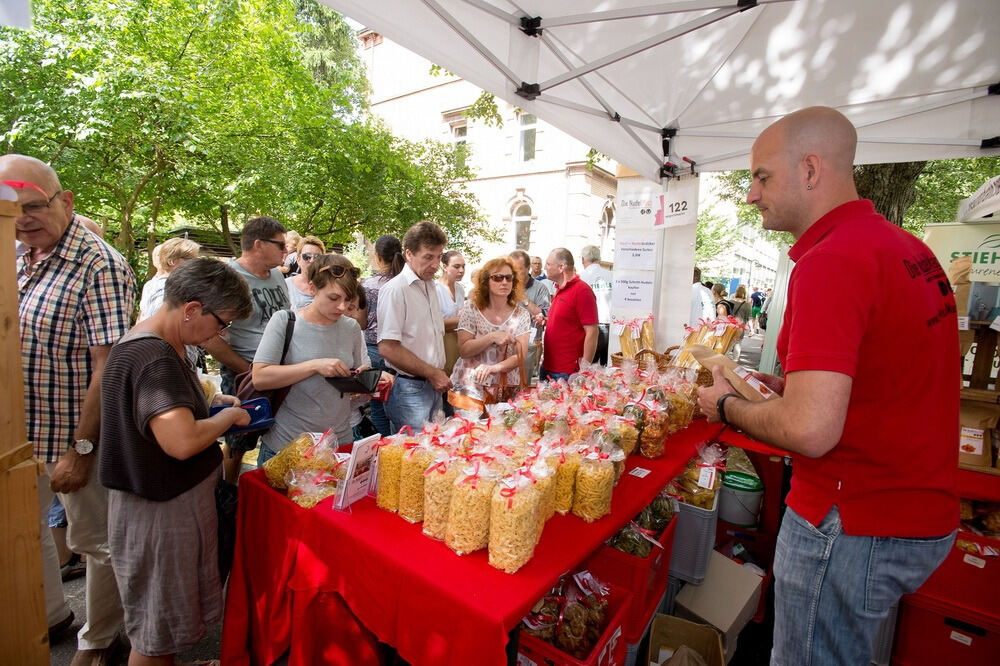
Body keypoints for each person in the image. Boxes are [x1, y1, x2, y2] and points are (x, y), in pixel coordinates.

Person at [696, 106, 958, 666]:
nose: (750, 194)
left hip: (852, 519)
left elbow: (811, 430)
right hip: (916, 511)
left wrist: (724, 404)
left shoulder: (831, 260)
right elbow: (881, 377)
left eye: (761, 176)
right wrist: (777, 386)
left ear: (810, 170)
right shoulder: (906, 247)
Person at [4, 154, 135, 662]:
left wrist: (80, 450)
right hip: (20, 434)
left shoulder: (98, 264)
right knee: (21, 531)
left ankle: (100, 640)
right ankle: (52, 617)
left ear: (66, 201)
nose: (24, 220)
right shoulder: (14, 253)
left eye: (34, 206)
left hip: (76, 436)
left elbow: (108, 367)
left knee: (97, 543)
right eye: (12, 211)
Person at [99, 258, 253, 666]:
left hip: (160, 504)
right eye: (221, 324)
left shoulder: (155, 344)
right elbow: (180, 442)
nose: (221, 334)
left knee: (160, 625)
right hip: (160, 512)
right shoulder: (156, 357)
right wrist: (224, 418)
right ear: (191, 310)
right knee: (155, 632)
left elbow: (159, 419)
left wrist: (206, 404)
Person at [253, 254, 391, 462]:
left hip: (337, 443)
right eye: (334, 298)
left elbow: (352, 385)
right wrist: (315, 365)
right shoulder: (285, 321)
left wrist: (367, 381)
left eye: (347, 300)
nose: (343, 308)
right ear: (311, 288)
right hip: (289, 445)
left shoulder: (351, 328)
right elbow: (260, 377)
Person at [201, 216, 290, 481]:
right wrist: (247, 369)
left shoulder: (276, 274)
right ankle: (230, 495)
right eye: (281, 245)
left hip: (280, 371)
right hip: (245, 372)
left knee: (278, 435)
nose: (286, 251)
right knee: (239, 442)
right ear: (259, 244)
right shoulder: (228, 277)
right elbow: (209, 336)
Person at [377, 221, 452, 432]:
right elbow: (388, 347)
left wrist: (436, 374)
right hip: (409, 389)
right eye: (428, 257)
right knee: (415, 455)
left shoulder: (430, 286)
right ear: (409, 254)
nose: (436, 264)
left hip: (432, 385)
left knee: (431, 452)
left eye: (439, 256)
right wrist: (432, 373)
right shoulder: (395, 290)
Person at [450, 257, 531, 402]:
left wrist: (495, 368)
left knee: (501, 425)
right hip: (470, 386)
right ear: (486, 281)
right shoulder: (471, 308)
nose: (504, 282)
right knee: (470, 425)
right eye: (498, 278)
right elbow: (464, 350)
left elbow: (520, 355)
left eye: (508, 278)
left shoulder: (522, 314)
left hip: (505, 387)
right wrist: (492, 337)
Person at [362, 234, 404, 436]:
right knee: (398, 404)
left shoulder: (368, 285)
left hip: (373, 349)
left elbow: (361, 321)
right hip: (401, 351)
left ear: (378, 256)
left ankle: (383, 445)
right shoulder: (405, 284)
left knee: (378, 406)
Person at [540, 248, 598, 381]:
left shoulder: (582, 291)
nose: (545, 267)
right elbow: (568, 320)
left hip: (567, 372)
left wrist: (584, 370)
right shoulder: (559, 288)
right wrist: (548, 320)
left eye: (548, 264)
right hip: (549, 367)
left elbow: (592, 332)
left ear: (561, 267)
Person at [509, 250, 550, 381]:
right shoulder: (504, 283)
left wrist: (524, 298)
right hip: (504, 344)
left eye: (519, 269)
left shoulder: (541, 288)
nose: (514, 273)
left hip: (528, 346)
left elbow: (544, 315)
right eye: (512, 268)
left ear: (528, 268)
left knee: (522, 387)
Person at [579, 245, 614, 365]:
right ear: (599, 259)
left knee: (589, 368)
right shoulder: (612, 275)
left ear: (583, 259)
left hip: (590, 328)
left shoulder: (581, 278)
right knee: (607, 369)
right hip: (611, 326)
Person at [437, 250, 467, 376]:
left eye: (463, 266)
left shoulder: (460, 289)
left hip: (458, 344)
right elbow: (433, 324)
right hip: (442, 346)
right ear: (444, 266)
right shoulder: (435, 289)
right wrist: (461, 319)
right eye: (456, 266)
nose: (461, 270)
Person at [286, 235, 326, 309]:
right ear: (298, 260)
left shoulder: (329, 286)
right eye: (306, 256)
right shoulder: (285, 285)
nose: (312, 261)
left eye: (317, 257)